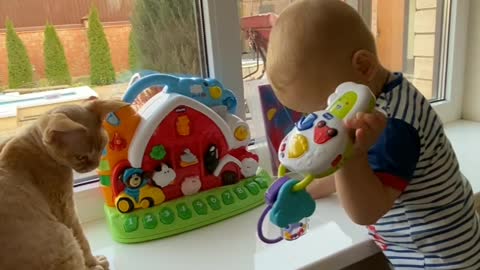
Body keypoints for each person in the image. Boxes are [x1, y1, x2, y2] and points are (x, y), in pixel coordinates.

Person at [266, 0, 480, 268]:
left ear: (364, 66)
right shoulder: (388, 93)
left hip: (436, 259)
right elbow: (369, 169)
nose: (324, 125)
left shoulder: (393, 125)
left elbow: (365, 211)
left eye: (328, 106)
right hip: (440, 244)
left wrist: (349, 157)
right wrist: (310, 187)